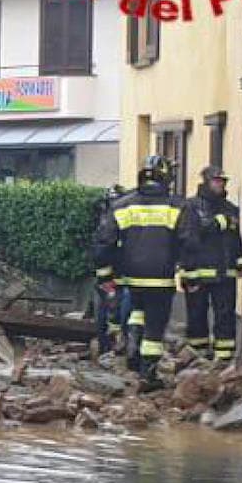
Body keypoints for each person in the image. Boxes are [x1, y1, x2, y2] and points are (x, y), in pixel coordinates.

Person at [93, 155, 184, 386]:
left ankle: (132, 349)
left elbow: (104, 243)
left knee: (137, 310)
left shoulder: (123, 205)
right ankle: (149, 373)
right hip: (161, 278)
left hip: (132, 277)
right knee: (155, 325)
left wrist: (106, 275)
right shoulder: (177, 206)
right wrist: (188, 269)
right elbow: (189, 242)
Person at [177, 164, 242, 362]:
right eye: (216, 181)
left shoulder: (231, 208)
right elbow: (188, 237)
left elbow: (236, 239)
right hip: (197, 272)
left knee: (225, 314)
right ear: (206, 182)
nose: (220, 184)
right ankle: (198, 354)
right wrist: (215, 224)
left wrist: (240, 261)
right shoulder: (191, 206)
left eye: (222, 181)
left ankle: (223, 356)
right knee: (197, 313)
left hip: (225, 272)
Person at [91, 185, 131, 357]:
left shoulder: (106, 220)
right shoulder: (111, 222)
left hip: (112, 278)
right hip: (113, 278)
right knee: (113, 312)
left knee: (110, 311)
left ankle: (108, 347)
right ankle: (110, 347)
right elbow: (102, 252)